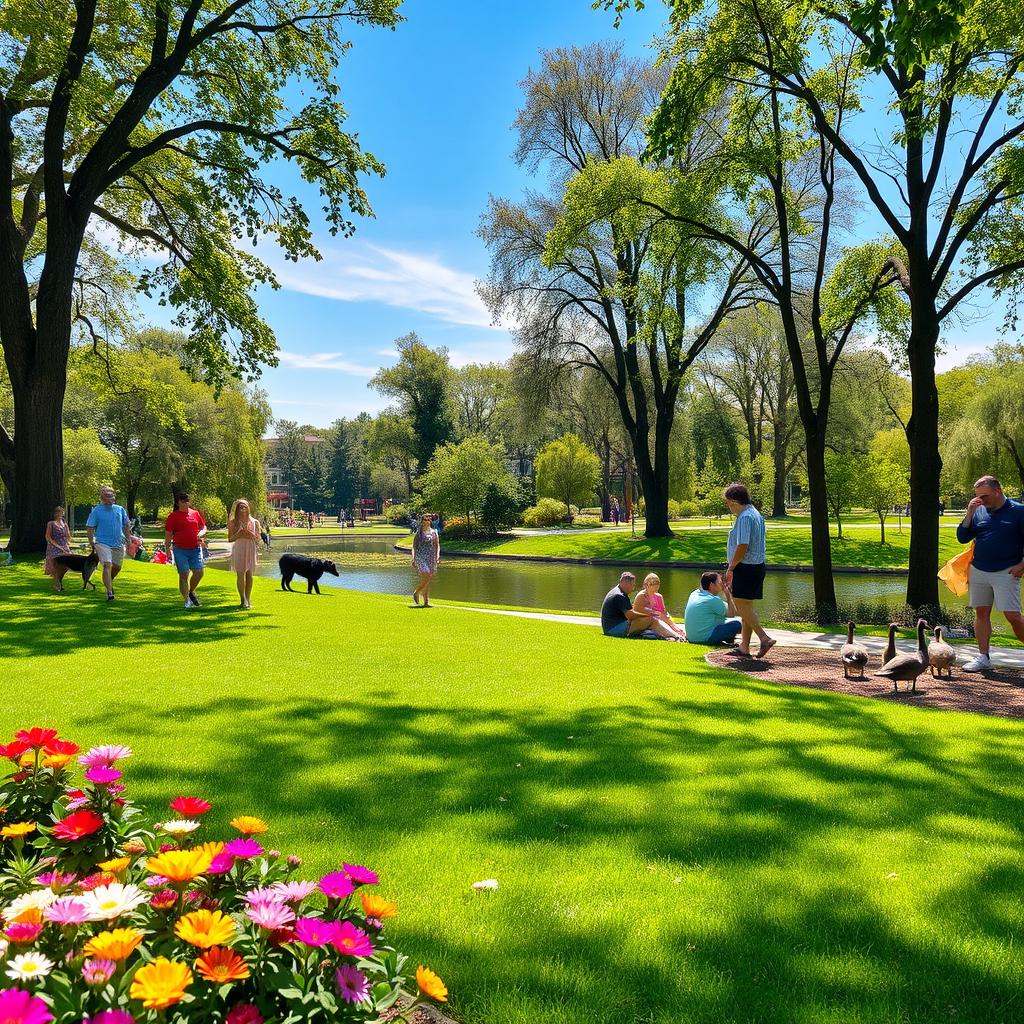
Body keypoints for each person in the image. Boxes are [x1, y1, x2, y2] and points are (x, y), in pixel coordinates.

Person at [956, 474, 1024, 671]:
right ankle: (983, 657)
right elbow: (962, 537)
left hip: (1007, 571)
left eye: (984, 496)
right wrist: (969, 513)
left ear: (998, 491)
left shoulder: (1018, 511)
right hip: (979, 570)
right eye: (977, 496)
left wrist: (1022, 565)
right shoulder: (978, 511)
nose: (981, 500)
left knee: (1013, 616)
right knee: (981, 613)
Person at [722, 482, 775, 658]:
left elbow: (743, 545)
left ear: (735, 501)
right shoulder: (756, 514)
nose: (730, 508)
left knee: (740, 605)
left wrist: (731, 567)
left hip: (745, 567)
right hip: (757, 566)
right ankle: (744, 647)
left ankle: (763, 637)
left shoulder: (745, 517)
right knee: (747, 607)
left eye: (729, 503)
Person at [85, 486, 132, 601]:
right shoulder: (97, 510)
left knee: (117, 567)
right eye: (107, 496)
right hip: (102, 542)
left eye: (111, 495)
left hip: (118, 543)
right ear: (102, 498)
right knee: (107, 564)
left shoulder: (120, 509)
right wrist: (92, 541)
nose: (110, 498)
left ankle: (108, 581)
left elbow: (126, 525)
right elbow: (90, 527)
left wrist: (129, 538)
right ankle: (110, 592)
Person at [164, 491, 207, 609]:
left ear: (189, 502)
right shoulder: (173, 516)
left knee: (199, 572)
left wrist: (201, 533)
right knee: (184, 574)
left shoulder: (195, 514)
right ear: (178, 503)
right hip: (180, 549)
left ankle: (191, 591)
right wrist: (167, 550)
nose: (185, 503)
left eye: (187, 501)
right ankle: (187, 600)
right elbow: (168, 534)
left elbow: (203, 527)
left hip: (195, 548)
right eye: (182, 501)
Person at [684, 571, 743, 645]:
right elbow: (731, 614)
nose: (722, 585)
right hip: (704, 638)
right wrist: (728, 596)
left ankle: (727, 639)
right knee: (737, 624)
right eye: (720, 582)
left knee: (731, 620)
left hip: (692, 637)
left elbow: (731, 610)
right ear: (712, 585)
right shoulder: (712, 600)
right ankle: (726, 639)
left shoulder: (694, 594)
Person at [228, 498, 261, 610]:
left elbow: (257, 539)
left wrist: (251, 535)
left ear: (248, 508)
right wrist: (239, 534)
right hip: (239, 548)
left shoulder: (255, 522)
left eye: (245, 506)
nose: (242, 508)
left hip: (250, 548)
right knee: (240, 573)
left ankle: (248, 599)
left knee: (249, 574)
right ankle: (242, 599)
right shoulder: (233, 522)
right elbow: (230, 539)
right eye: (240, 506)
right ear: (238, 508)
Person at [632, 573, 687, 640]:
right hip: (645, 622)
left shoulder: (659, 597)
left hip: (658, 619)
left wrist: (673, 625)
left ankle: (678, 632)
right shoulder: (641, 596)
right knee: (658, 620)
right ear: (647, 585)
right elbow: (638, 613)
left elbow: (664, 613)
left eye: (658, 583)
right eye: (654, 583)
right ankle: (676, 635)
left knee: (667, 619)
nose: (656, 586)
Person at [601, 571, 655, 637]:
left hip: (611, 628)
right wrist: (646, 615)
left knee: (645, 619)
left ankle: (649, 633)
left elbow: (630, 610)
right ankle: (662, 635)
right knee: (649, 619)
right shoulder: (619, 595)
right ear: (626, 583)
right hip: (613, 630)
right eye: (633, 585)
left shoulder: (618, 592)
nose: (633, 588)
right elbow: (630, 615)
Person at [412, 511, 441, 606]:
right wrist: (413, 558)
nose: (427, 521)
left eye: (429, 520)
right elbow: (414, 547)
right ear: (422, 521)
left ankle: (426, 602)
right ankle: (416, 592)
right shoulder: (419, 533)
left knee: (426, 579)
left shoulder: (434, 532)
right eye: (425, 520)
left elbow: (437, 546)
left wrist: (437, 556)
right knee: (427, 575)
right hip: (420, 557)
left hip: (431, 558)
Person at [44, 506, 73, 593]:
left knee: (65, 566)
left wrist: (67, 543)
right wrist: (56, 545)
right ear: (55, 513)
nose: (60, 514)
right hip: (54, 548)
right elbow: (48, 536)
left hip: (64, 547)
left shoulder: (64, 523)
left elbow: (68, 535)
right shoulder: (51, 524)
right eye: (59, 512)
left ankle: (59, 581)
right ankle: (56, 583)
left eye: (61, 512)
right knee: (56, 566)